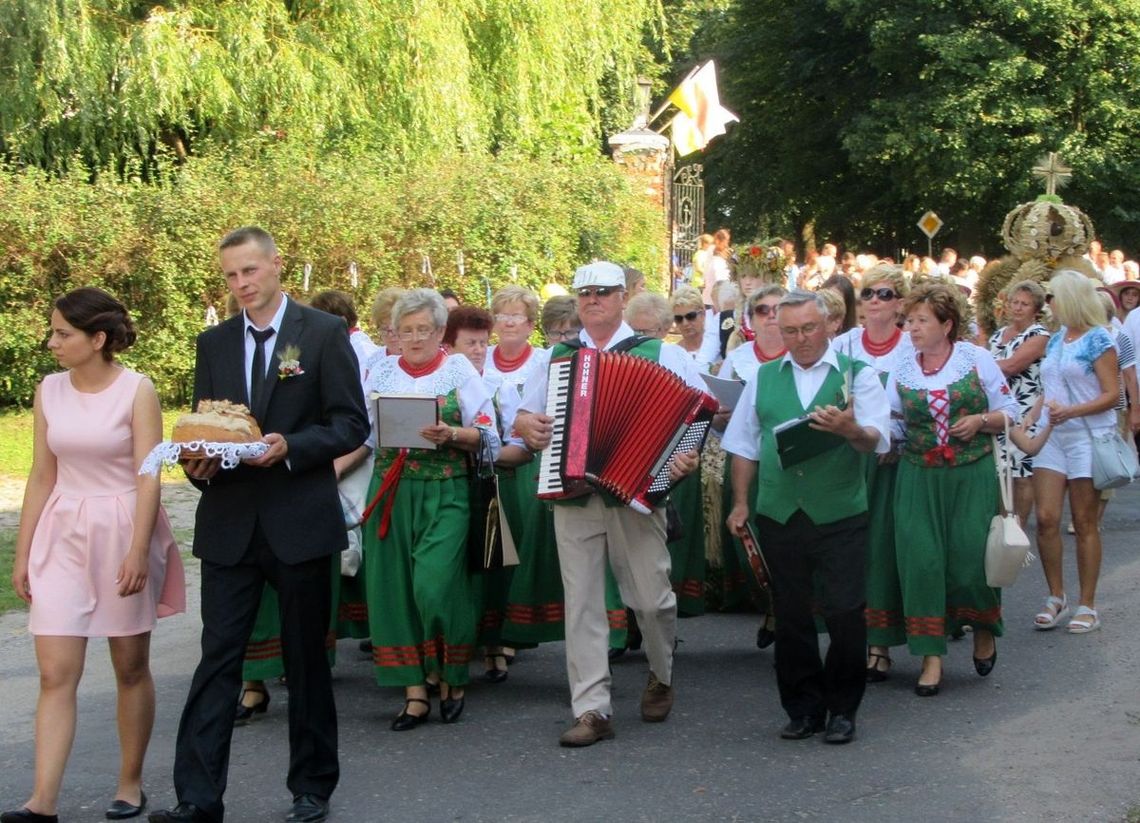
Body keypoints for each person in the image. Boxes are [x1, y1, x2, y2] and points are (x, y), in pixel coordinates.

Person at [150, 227, 369, 823]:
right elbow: (206, 425)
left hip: (299, 518)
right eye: (230, 275)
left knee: (305, 661)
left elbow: (351, 425)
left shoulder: (321, 334)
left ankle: (311, 788)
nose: (241, 284)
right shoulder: (213, 342)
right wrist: (198, 467)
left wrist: (289, 446)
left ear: (277, 266)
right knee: (218, 659)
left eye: (250, 271)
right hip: (230, 523)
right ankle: (197, 798)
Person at [3, 288, 184, 823]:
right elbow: (41, 474)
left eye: (63, 333)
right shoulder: (49, 390)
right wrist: (23, 551)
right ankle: (42, 803)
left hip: (123, 526)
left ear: (97, 339)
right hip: (62, 531)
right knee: (55, 672)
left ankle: (130, 784)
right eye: (53, 331)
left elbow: (149, 471)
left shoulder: (137, 389)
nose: (52, 342)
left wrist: (136, 549)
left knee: (130, 666)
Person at [512, 261, 702, 747]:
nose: (592, 300)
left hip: (637, 495)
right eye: (584, 293)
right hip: (572, 494)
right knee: (581, 605)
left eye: (603, 292)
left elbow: (697, 414)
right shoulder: (556, 357)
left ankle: (661, 671)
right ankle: (592, 708)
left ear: (623, 297)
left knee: (651, 599)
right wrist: (527, 427)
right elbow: (522, 416)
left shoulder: (660, 352)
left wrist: (683, 456)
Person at [723, 290, 890, 744]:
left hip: (838, 510)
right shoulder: (762, 377)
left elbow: (878, 440)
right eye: (790, 330)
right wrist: (740, 502)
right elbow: (742, 443)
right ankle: (802, 708)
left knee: (844, 612)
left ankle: (843, 709)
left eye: (809, 328)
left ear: (830, 325)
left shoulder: (858, 376)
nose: (800, 338)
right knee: (791, 615)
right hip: (779, 511)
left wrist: (849, 429)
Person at [361, 289, 501, 731]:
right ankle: (414, 690)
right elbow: (363, 437)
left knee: (435, 585)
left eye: (424, 329)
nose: (416, 338)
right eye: (407, 331)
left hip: (446, 489)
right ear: (395, 335)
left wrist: (453, 434)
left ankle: (452, 675)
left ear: (441, 332)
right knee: (395, 590)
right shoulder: (379, 372)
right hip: (390, 490)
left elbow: (489, 435)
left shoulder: (459, 371)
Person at [887, 283, 1017, 697]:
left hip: (970, 473)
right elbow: (893, 421)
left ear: (947, 324)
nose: (913, 329)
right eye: (910, 321)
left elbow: (1010, 413)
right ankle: (930, 656)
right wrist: (875, 437)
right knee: (921, 563)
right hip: (918, 476)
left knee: (967, 559)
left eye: (922, 321)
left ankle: (982, 626)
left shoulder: (975, 359)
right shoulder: (903, 366)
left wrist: (980, 420)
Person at [832, 266, 913, 683]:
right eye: (868, 294)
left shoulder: (911, 347)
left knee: (882, 548)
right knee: (846, 547)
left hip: (892, 463)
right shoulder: (843, 343)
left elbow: (919, 401)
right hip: (850, 457)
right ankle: (849, 639)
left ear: (901, 303)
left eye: (885, 294)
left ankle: (880, 642)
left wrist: (891, 437)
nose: (875, 300)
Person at [1031, 272, 1120, 634]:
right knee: (1047, 518)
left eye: (1052, 296)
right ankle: (1056, 596)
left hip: (1087, 434)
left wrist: (1073, 411)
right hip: (1052, 435)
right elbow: (1048, 387)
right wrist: (1030, 417)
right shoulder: (1055, 340)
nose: (1048, 302)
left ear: (1070, 297)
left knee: (1084, 522)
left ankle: (1088, 603)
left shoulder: (1100, 339)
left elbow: (1112, 394)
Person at [986, 281, 1049, 525]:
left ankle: (1018, 527)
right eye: (1014, 302)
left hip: (1025, 407)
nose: (1018, 308)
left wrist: (981, 368)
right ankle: (1002, 524)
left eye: (1025, 304)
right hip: (997, 407)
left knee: (1022, 472)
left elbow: (1013, 366)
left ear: (1036, 309)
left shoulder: (1039, 335)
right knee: (1000, 470)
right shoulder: (998, 334)